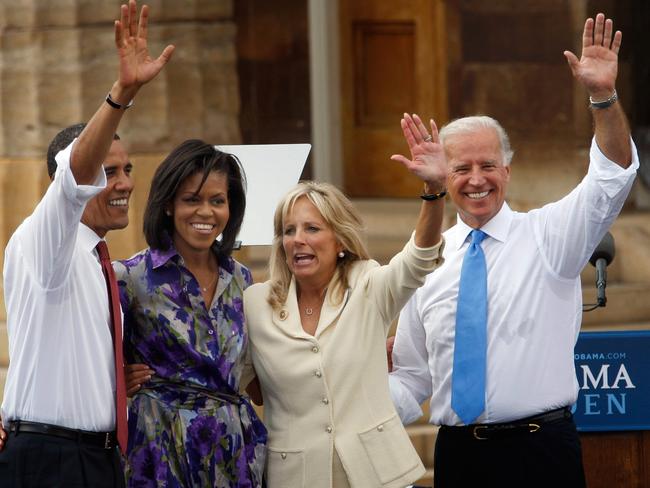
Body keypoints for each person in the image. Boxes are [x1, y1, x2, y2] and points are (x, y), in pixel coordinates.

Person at [388, 13, 638, 488]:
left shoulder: (549, 237)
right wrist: (343, 395)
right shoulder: (424, 259)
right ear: (445, 177)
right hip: (459, 456)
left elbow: (611, 179)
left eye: (488, 165)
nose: (476, 179)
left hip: (540, 452)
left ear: (508, 170)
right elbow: (412, 377)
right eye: (461, 168)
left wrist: (603, 97)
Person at [0, 1, 173, 485]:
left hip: (94, 458)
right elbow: (74, 176)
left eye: (126, 170)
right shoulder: (46, 239)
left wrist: (114, 378)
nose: (121, 183)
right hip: (50, 458)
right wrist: (121, 94)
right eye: (106, 172)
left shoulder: (100, 261)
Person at [241, 113, 447, 488]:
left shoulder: (367, 284)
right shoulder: (256, 303)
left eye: (312, 228)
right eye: (288, 231)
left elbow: (420, 258)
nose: (297, 239)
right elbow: (241, 382)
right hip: (295, 476)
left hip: (376, 474)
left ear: (339, 242)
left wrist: (434, 190)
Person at [114, 139, 267, 487]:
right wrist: (116, 379)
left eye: (217, 201)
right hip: (159, 450)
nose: (205, 212)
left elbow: (257, 370)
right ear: (168, 204)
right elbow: (83, 354)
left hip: (232, 449)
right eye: (191, 200)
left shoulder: (242, 280)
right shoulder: (131, 277)